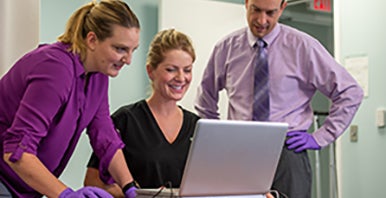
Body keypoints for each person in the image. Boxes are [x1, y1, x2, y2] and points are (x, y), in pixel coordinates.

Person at [194, 0, 364, 198]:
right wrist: (217, 138)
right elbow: (205, 96)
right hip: (239, 151)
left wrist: (321, 137)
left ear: (282, 7)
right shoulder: (226, 47)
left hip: (288, 151)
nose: (261, 20)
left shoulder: (303, 46)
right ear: (247, 3)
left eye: (270, 13)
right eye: (255, 10)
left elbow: (350, 92)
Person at [0, 0, 141, 197]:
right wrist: (66, 194)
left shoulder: (98, 76)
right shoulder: (55, 69)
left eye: (132, 50)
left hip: (23, 187)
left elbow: (105, 136)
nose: (128, 60)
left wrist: (130, 188)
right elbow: (17, 152)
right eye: (120, 49)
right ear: (92, 40)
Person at [83, 29, 200, 197]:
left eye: (187, 70)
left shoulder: (198, 126)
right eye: (171, 69)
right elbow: (92, 181)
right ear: (150, 71)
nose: (181, 78)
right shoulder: (125, 120)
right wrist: (135, 195)